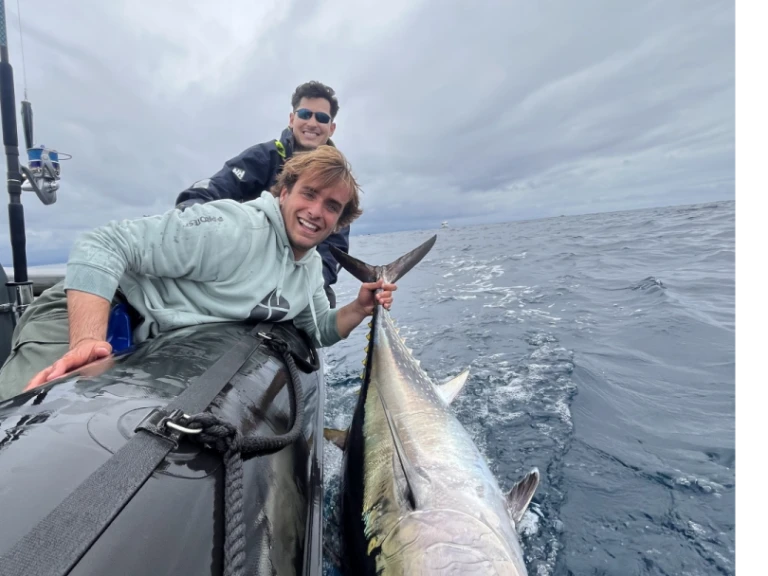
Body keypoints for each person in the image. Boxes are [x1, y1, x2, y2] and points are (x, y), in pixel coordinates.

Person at [0, 146, 394, 400]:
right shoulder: (233, 229)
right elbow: (101, 244)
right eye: (309, 193)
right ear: (285, 191)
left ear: (340, 220)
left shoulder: (307, 268)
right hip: (92, 312)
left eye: (331, 206)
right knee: (19, 424)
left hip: (145, 344)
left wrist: (359, 307)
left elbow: (319, 330)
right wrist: (85, 339)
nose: (316, 212)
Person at [175, 80, 348, 307]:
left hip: (297, 287)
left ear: (331, 127)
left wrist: (300, 284)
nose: (312, 123)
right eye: (305, 114)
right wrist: (192, 224)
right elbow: (207, 193)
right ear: (292, 118)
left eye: (322, 118)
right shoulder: (262, 158)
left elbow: (333, 252)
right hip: (239, 275)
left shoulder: (340, 181)